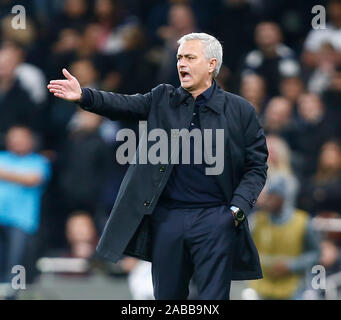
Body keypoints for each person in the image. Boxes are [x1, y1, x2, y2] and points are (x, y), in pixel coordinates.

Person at [47, 32, 268, 300]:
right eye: (179, 58)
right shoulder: (163, 98)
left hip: (215, 218)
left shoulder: (241, 110)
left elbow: (256, 165)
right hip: (169, 218)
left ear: (211, 64)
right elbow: (123, 105)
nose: (181, 63)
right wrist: (84, 96)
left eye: (189, 57)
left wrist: (236, 211)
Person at [248, 175, 320, 300]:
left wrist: (291, 265)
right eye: (268, 195)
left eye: (274, 196)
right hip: (259, 287)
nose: (269, 200)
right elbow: (245, 251)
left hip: (292, 288)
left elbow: (315, 254)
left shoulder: (302, 222)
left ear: (284, 198)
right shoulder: (256, 221)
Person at [0, 125, 51, 284]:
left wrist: (4, 173)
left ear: (30, 141)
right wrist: (18, 176)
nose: (16, 142)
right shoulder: (2, 156)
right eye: (13, 138)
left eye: (20, 138)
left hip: (22, 220)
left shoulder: (39, 161)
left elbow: (33, 179)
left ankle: (12, 293)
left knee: (16, 261)